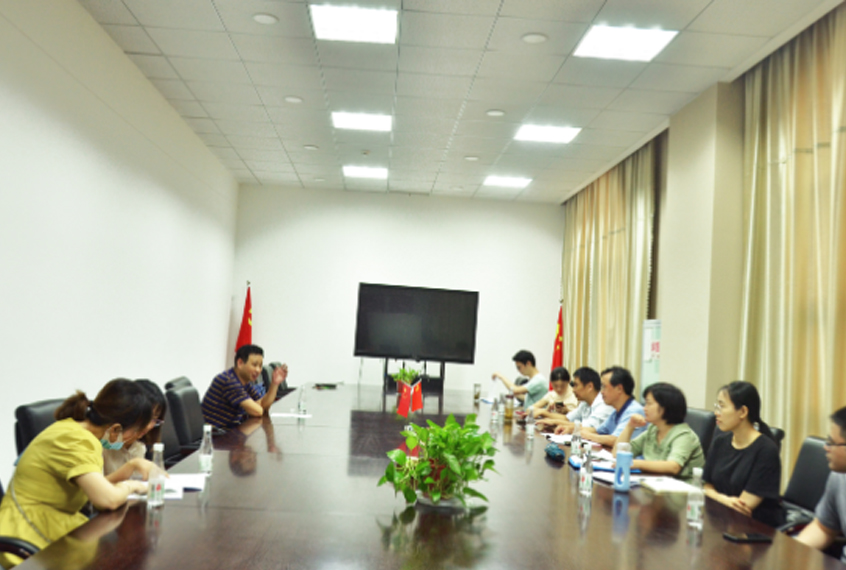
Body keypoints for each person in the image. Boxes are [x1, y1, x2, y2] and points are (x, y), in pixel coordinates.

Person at [0, 379, 152, 568]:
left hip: (58, 521)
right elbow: (107, 500)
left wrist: (128, 470)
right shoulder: (75, 440)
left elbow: (96, 487)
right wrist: (132, 485)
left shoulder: (77, 431)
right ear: (115, 429)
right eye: (135, 433)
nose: (135, 439)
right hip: (27, 531)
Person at [702, 381, 784, 527]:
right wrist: (724, 500)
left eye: (722, 406)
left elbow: (742, 507)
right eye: (717, 406)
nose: (716, 413)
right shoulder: (720, 442)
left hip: (754, 527)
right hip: (720, 518)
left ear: (743, 412)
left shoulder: (766, 450)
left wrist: (717, 497)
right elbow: (706, 486)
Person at [613, 382, 705, 482]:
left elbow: (673, 467)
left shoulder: (684, 435)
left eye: (649, 403)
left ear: (665, 407)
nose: (644, 408)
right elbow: (617, 454)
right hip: (655, 483)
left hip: (683, 488)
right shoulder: (653, 430)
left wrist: (635, 463)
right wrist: (629, 426)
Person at [796, 406, 846, 563]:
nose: (826, 447)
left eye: (831, 443)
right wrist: (792, 551)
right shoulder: (838, 477)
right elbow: (824, 528)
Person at [201, 344, 288, 429]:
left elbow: (263, 405)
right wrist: (259, 407)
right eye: (254, 365)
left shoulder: (244, 382)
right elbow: (259, 411)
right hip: (216, 434)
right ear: (240, 363)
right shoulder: (229, 381)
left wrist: (275, 384)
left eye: (260, 366)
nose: (258, 370)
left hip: (229, 430)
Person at [103, 379, 166, 479]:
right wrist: (131, 466)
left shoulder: (139, 446)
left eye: (154, 419)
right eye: (146, 418)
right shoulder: (103, 443)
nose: (148, 426)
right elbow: (93, 485)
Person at [581, 366, 647, 447]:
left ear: (619, 389)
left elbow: (617, 441)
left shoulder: (634, 411)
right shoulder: (616, 412)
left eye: (604, 386)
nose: (601, 392)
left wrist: (589, 436)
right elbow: (597, 431)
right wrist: (576, 429)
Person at [538, 367, 614, 434]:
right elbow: (568, 419)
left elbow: (584, 428)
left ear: (590, 387)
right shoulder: (584, 403)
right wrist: (549, 419)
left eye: (576, 385)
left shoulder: (604, 404)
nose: (573, 390)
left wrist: (554, 422)